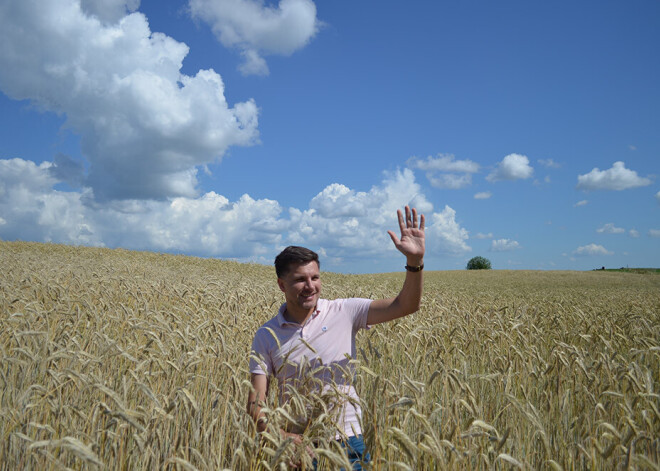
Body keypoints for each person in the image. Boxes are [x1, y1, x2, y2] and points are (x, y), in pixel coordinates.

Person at [247, 206, 425, 469]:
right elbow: (255, 406)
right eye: (300, 280)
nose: (310, 286)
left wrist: (414, 263)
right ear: (281, 285)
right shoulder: (266, 335)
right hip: (298, 448)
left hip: (347, 441)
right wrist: (283, 439)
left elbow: (406, 305)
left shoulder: (344, 311)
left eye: (315, 277)